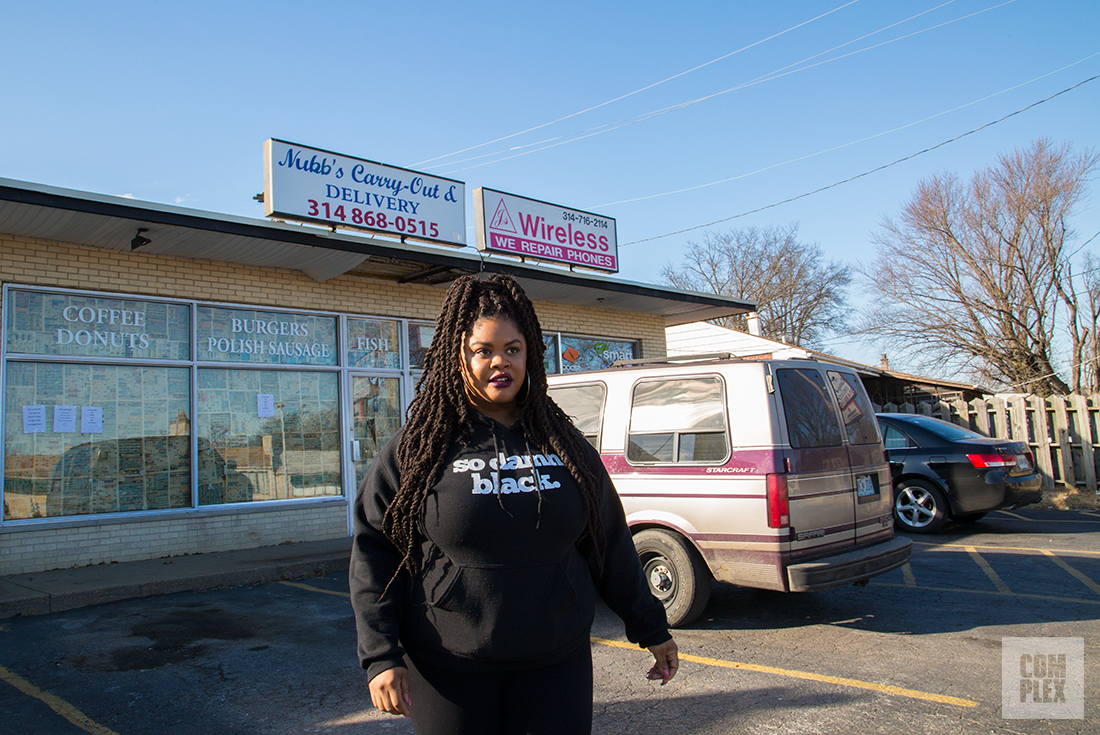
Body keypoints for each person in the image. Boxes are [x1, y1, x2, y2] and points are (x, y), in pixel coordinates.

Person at [349, 274, 678, 734]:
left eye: (513, 349)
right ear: (457, 356)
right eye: (483, 350)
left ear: (530, 354)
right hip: (448, 664)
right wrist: (381, 654)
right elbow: (375, 551)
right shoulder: (418, 450)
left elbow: (609, 540)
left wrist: (651, 626)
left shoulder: (565, 445)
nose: (499, 362)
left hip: (555, 661)